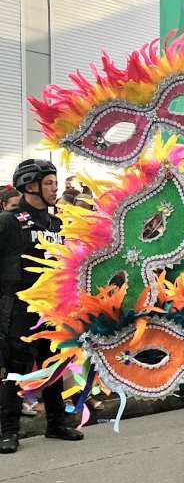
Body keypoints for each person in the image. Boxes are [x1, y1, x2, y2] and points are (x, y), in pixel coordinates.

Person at [0, 159, 84, 453]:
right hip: (18, 308)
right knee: (15, 371)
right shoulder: (8, 221)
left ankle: (57, 423)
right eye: (48, 182)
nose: (55, 188)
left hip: (54, 309)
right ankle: (8, 432)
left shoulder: (57, 223)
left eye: (55, 182)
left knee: (54, 366)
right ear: (30, 185)